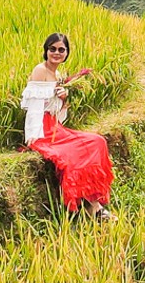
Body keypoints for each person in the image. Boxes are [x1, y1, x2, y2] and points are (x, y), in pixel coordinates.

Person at [20, 32, 115, 221]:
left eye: (61, 50)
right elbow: (35, 108)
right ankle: (94, 209)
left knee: (97, 141)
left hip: (55, 127)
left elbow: (58, 113)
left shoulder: (58, 74)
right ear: (46, 51)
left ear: (66, 53)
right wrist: (33, 137)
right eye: (52, 49)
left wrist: (63, 98)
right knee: (72, 155)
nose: (56, 53)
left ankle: (93, 203)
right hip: (42, 128)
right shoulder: (40, 70)